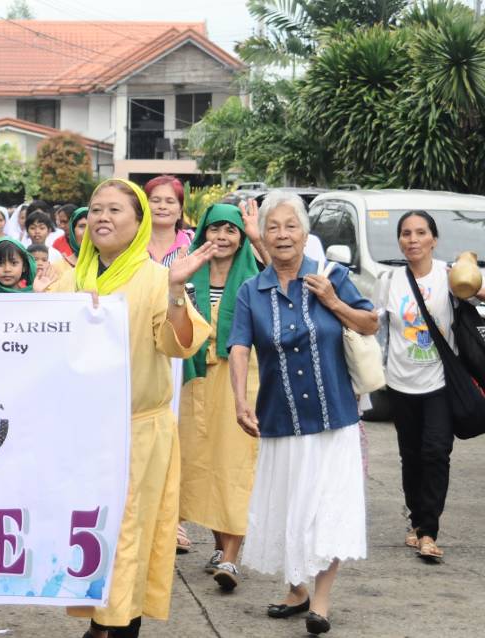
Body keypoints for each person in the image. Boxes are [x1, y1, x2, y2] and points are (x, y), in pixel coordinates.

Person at [50, 178, 214, 638]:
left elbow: (179, 345)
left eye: (115, 210)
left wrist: (177, 291)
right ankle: (100, 627)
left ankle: (118, 628)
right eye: (95, 209)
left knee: (128, 540)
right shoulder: (69, 280)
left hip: (136, 436)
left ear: (139, 223)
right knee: (88, 534)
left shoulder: (158, 278)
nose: (102, 217)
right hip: (81, 439)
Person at [227, 190, 377, 636]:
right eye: (273, 227)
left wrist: (333, 300)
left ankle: (322, 601)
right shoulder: (252, 291)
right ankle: (296, 590)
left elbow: (369, 323)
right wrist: (239, 398)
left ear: (305, 234)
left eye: (291, 226)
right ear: (264, 238)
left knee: (328, 508)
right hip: (279, 417)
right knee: (289, 507)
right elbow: (238, 346)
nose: (282, 234)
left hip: (335, 418)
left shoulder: (331, 275)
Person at [376, 211, 485, 561]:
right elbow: (375, 326)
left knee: (436, 452)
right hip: (400, 382)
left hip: (439, 382)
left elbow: (478, 299)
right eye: (406, 233)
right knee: (411, 456)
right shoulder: (389, 280)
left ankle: (428, 531)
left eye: (420, 233)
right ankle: (416, 517)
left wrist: (478, 287)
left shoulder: (449, 277)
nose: (412, 240)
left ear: (433, 240)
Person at [176, 204, 260, 592]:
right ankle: (218, 546)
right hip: (195, 378)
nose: (222, 237)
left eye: (231, 230)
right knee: (203, 462)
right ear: (203, 233)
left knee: (236, 463)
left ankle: (231, 557)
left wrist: (260, 235)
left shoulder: (255, 278)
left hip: (241, 380)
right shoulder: (188, 272)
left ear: (242, 236)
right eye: (214, 229)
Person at [144, 175, 193, 267]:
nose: (162, 206)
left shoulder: (193, 243)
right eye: (155, 201)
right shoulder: (129, 243)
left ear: (180, 211)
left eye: (170, 202)